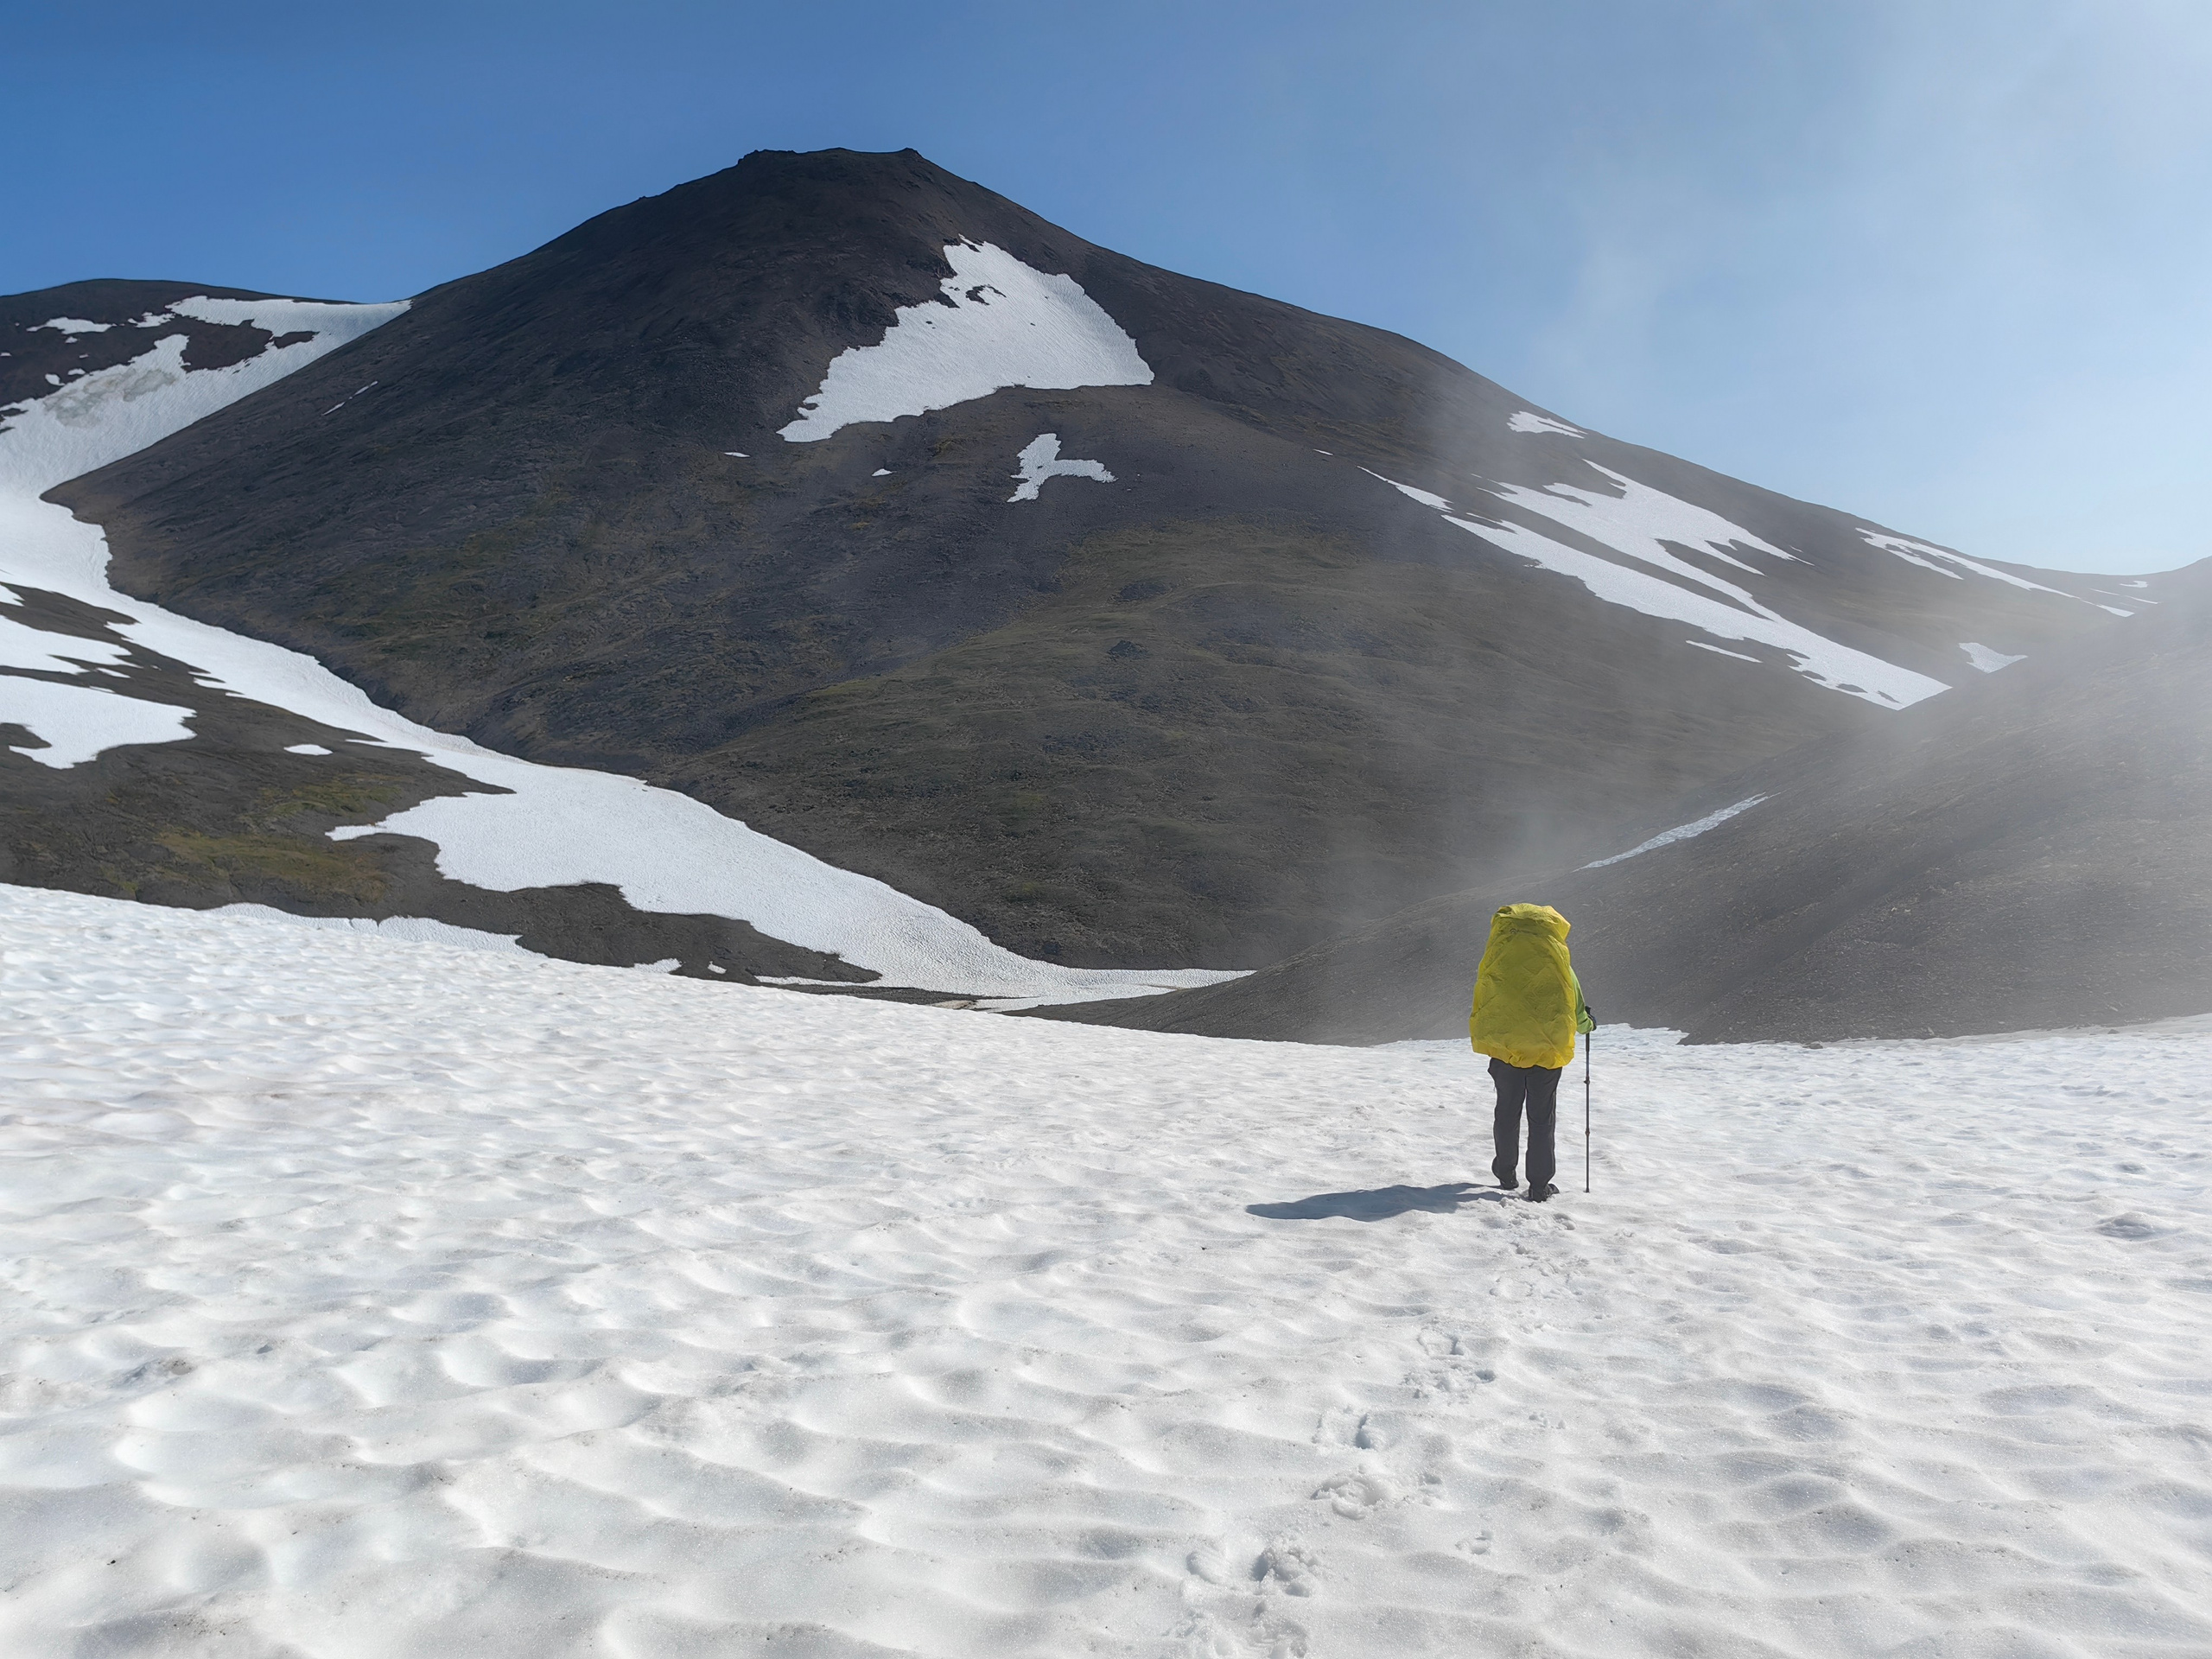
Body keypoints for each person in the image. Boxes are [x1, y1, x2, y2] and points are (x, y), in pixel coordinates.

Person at [1468, 903, 1595, 1203]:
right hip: (1547, 1053)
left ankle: (1506, 1174)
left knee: (1507, 1111)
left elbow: (1484, 1002)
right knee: (1541, 1118)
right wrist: (1588, 1024)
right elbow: (1576, 1009)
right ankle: (1539, 1186)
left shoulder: (1495, 962)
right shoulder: (1559, 963)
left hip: (1506, 1050)